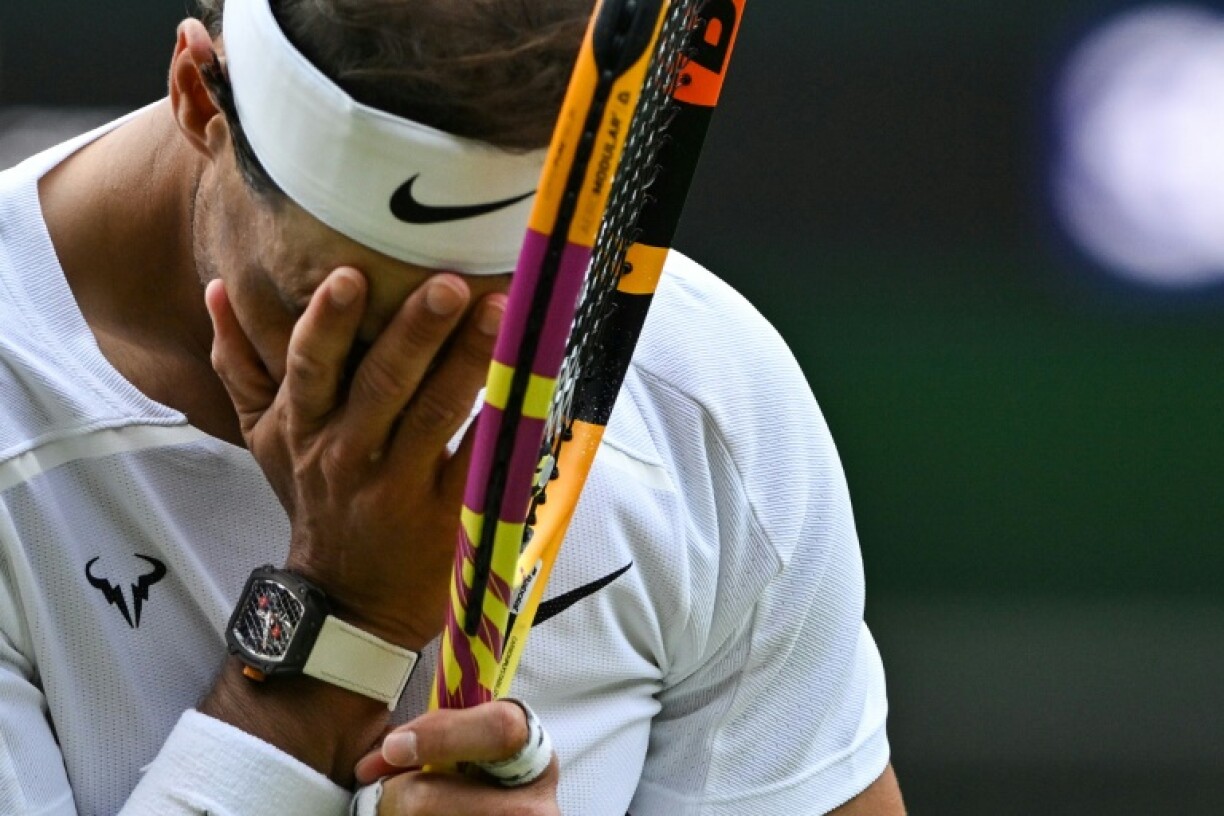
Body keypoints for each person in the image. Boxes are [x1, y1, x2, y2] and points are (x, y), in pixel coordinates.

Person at [0, 0, 906, 813]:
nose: (407, 394)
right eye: (336, 320)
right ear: (202, 97)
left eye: (490, 334)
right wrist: (342, 621)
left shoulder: (703, 401)